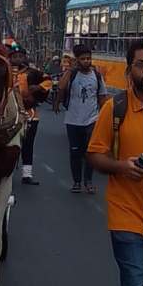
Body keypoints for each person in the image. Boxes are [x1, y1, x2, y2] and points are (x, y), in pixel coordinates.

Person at [86, 39, 143, 286]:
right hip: (126, 213)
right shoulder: (115, 108)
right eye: (140, 65)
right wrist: (122, 167)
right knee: (134, 285)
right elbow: (95, 155)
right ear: (129, 70)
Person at [55, 44, 108, 193]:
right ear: (77, 60)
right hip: (72, 120)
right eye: (83, 59)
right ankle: (77, 182)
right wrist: (70, 70)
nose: (87, 61)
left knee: (90, 152)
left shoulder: (96, 75)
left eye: (88, 58)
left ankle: (88, 182)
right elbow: (61, 87)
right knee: (75, 152)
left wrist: (104, 116)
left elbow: (102, 96)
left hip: (92, 120)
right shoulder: (72, 74)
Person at [9, 41, 53, 185]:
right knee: (8, 145)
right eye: (14, 56)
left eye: (20, 56)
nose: (17, 59)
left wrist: (38, 88)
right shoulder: (4, 72)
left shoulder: (33, 72)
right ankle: (7, 174)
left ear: (25, 57)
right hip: (8, 116)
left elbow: (48, 81)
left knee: (28, 144)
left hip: (29, 114)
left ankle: (27, 175)